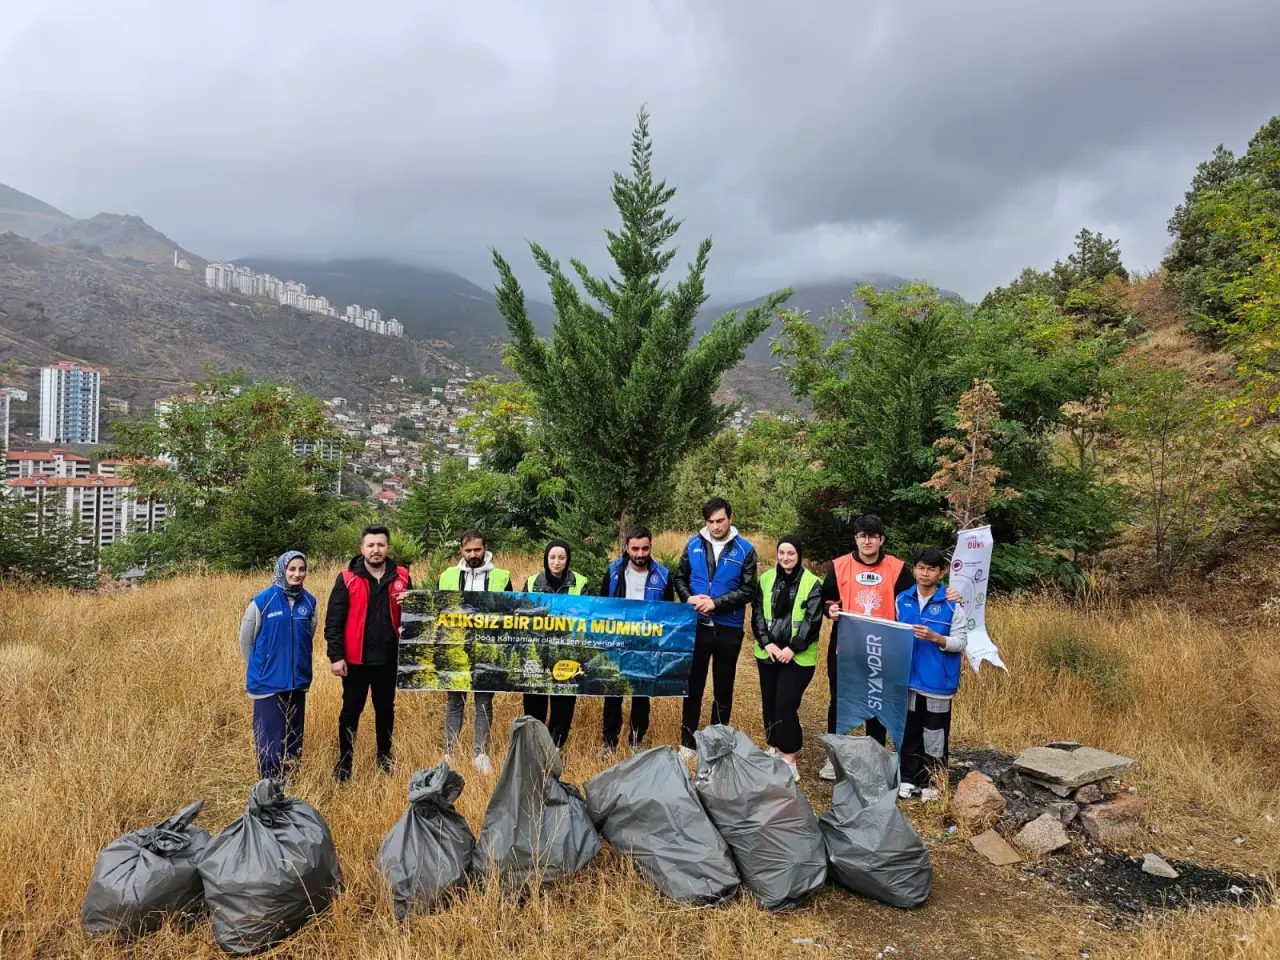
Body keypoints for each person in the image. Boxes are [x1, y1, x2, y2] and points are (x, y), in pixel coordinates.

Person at [819, 514, 959, 780]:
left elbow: (919, 593)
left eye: (873, 536)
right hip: (845, 649)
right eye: (862, 535)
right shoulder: (839, 566)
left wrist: (951, 592)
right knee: (840, 702)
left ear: (881, 539)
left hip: (882, 650)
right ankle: (835, 756)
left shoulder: (897, 569)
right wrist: (830, 609)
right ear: (856, 538)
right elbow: (826, 600)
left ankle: (877, 757)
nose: (867, 541)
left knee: (877, 703)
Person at [326, 525, 412, 782]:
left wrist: (412, 602)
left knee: (385, 710)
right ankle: (344, 763)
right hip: (356, 661)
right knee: (351, 711)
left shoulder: (403, 577)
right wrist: (336, 656)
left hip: (389, 659)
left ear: (388, 548)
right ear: (362, 548)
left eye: (381, 545)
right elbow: (334, 621)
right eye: (371, 545)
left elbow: (415, 619)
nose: (376, 550)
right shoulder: (347, 579)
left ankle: (384, 758)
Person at [674, 497, 758, 758]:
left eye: (720, 520)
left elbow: (748, 590)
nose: (715, 526)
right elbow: (680, 578)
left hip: (728, 628)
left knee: (723, 688)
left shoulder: (745, 550)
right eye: (710, 521)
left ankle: (717, 742)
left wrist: (716, 604)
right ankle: (687, 743)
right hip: (697, 626)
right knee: (693, 686)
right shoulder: (693, 543)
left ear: (730, 519)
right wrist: (688, 597)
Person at [895, 548, 968, 798]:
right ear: (914, 569)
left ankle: (933, 782)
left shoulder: (951, 604)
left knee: (935, 734)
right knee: (910, 730)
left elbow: (961, 642)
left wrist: (937, 638)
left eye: (931, 569)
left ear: (941, 572)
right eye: (921, 568)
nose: (925, 573)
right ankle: (907, 778)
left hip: (938, 682)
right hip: (909, 680)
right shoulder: (902, 599)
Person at [439, 529, 512, 774]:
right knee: (454, 701)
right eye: (468, 550)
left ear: (485, 549)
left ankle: (480, 754)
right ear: (461, 551)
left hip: (487, 649)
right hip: (456, 648)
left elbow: (510, 614)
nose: (473, 554)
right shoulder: (448, 575)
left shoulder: (502, 577)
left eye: (477, 550)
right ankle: (450, 752)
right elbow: (436, 607)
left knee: (483, 702)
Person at [751, 535, 823, 783]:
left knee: (785, 704)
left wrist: (793, 648)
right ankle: (773, 746)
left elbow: (812, 621)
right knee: (769, 702)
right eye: (781, 553)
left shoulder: (812, 583)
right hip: (768, 653)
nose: (785, 558)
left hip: (797, 657)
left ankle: (789, 757)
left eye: (790, 553)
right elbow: (758, 614)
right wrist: (767, 642)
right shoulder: (766, 579)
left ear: (799, 554)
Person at [239, 550, 316, 782]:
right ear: (282, 570)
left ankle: (290, 785)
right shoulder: (261, 602)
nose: (297, 574)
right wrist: (262, 668)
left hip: (297, 681)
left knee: (293, 740)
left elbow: (307, 635)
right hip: (268, 684)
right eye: (292, 569)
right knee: (269, 743)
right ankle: (269, 788)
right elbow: (246, 641)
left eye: (302, 569)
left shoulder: (310, 602)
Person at [599, 525, 674, 754]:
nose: (640, 554)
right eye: (635, 549)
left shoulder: (663, 575)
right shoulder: (613, 572)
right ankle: (609, 742)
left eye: (645, 548)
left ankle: (637, 741)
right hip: (617, 642)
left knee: (641, 696)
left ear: (651, 546)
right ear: (626, 547)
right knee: (613, 694)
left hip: (646, 645)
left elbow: (668, 612)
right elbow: (602, 607)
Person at [522, 539, 590, 749]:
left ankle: (556, 748)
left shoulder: (580, 582)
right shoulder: (533, 581)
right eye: (552, 557)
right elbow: (523, 614)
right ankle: (535, 748)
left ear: (567, 559)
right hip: (537, 650)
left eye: (561, 557)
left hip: (566, 651)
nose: (557, 562)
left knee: (563, 703)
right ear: (546, 559)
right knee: (535, 702)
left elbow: (585, 615)